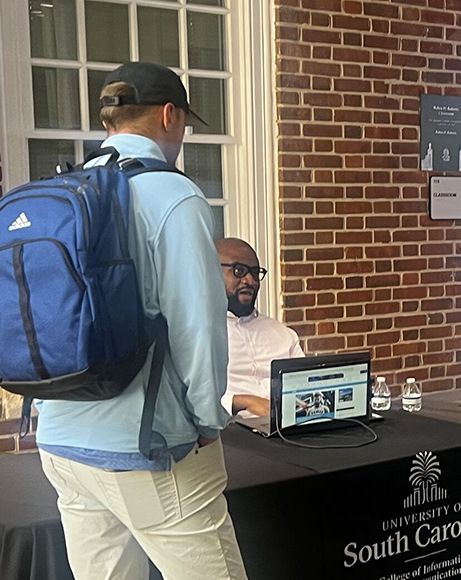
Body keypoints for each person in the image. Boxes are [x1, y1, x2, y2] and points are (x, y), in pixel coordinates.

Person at [34, 62, 246, 579]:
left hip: (61, 438)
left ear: (110, 122)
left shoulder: (68, 189)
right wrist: (207, 422)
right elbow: (197, 324)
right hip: (149, 446)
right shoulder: (174, 195)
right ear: (170, 116)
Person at [217, 237, 304, 419]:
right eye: (239, 271)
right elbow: (188, 398)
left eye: (255, 273)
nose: (250, 280)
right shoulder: (196, 336)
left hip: (287, 429)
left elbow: (305, 386)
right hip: (230, 435)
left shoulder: (283, 334)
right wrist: (244, 401)